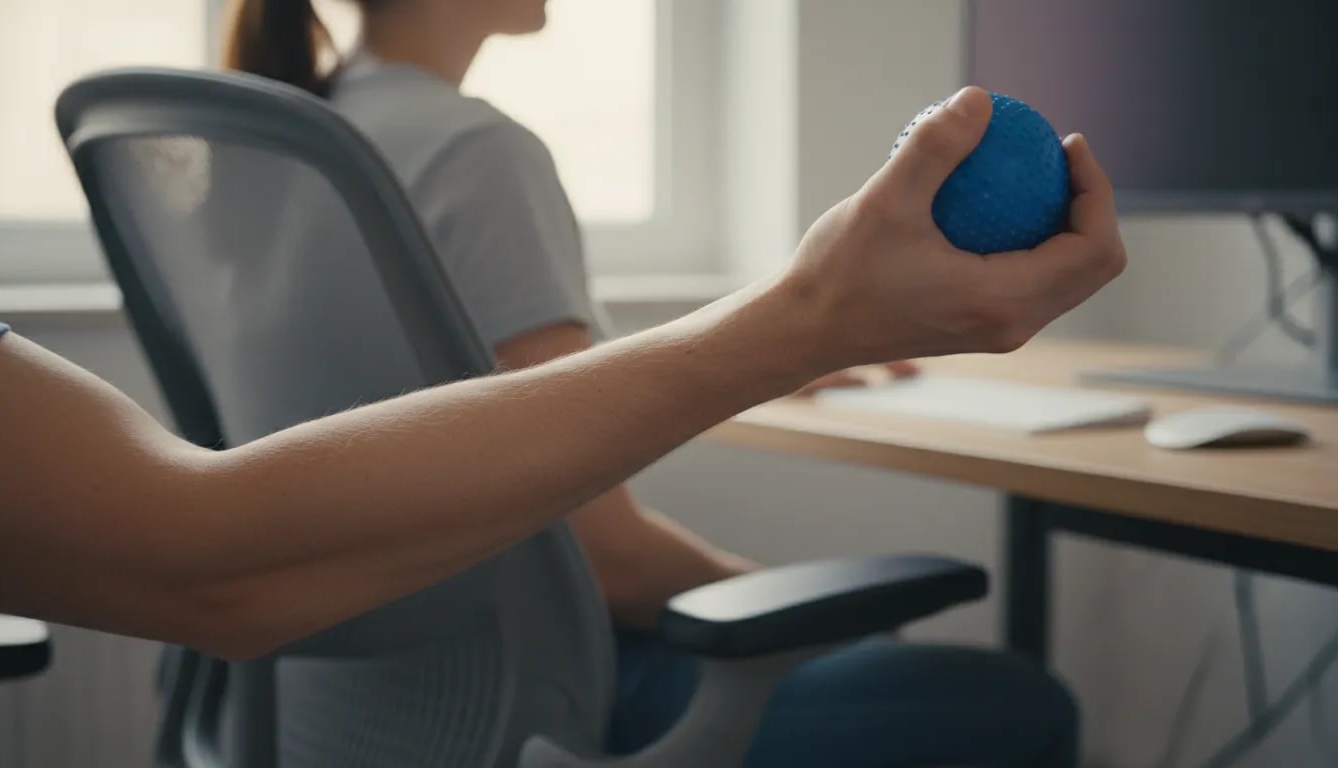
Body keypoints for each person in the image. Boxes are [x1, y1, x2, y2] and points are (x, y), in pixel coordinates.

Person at [212, 1, 1119, 765]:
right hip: (531, 708)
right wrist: (801, 609)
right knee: (1017, 704)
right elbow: (609, 564)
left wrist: (772, 357)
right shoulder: (474, 151)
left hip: (332, 712)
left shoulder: (277, 141)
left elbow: (436, 401)